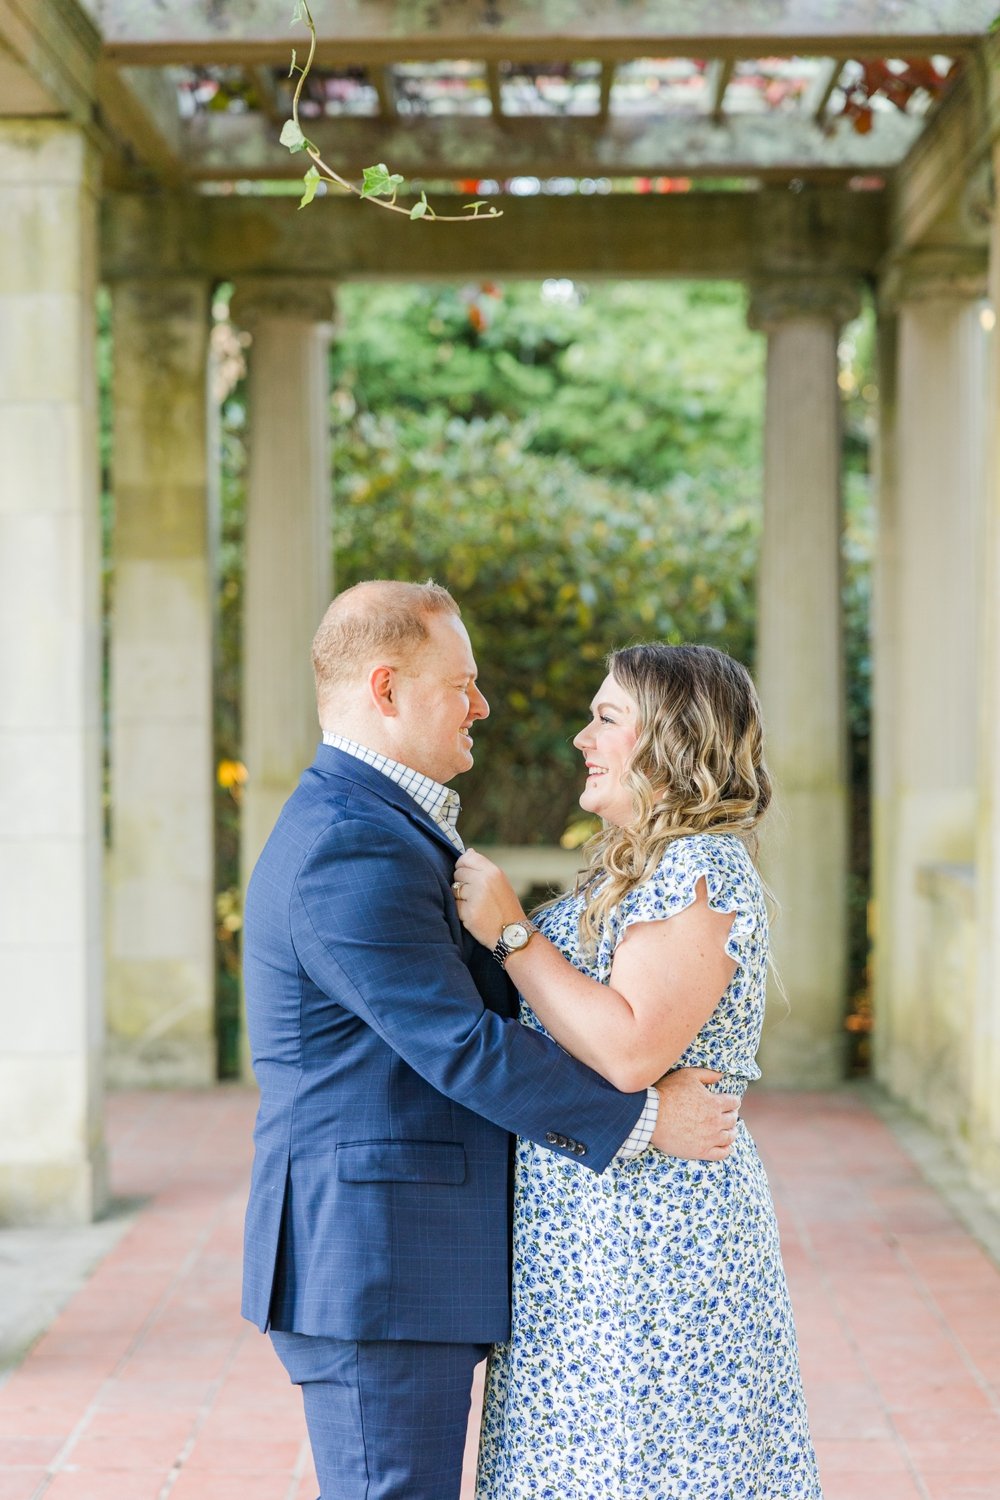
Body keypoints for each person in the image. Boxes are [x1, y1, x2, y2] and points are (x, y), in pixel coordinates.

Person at [240, 581, 743, 1500]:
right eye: (461, 684)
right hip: (377, 1262)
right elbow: (457, 1044)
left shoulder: (383, 821)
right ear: (385, 689)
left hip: (408, 1260)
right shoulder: (349, 839)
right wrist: (638, 1123)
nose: (483, 705)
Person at [453, 641, 823, 1499]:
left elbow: (627, 1050)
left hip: (654, 1251)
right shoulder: (633, 867)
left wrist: (512, 932)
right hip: (590, 1249)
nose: (583, 738)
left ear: (672, 742)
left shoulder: (697, 866)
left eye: (606, 718)